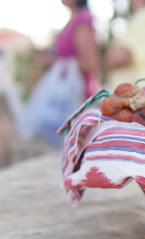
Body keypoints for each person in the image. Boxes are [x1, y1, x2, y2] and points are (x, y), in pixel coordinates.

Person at [17, 0, 101, 148]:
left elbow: (88, 62)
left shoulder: (82, 21)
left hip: (78, 96)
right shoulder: (73, 20)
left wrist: (53, 62)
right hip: (67, 95)